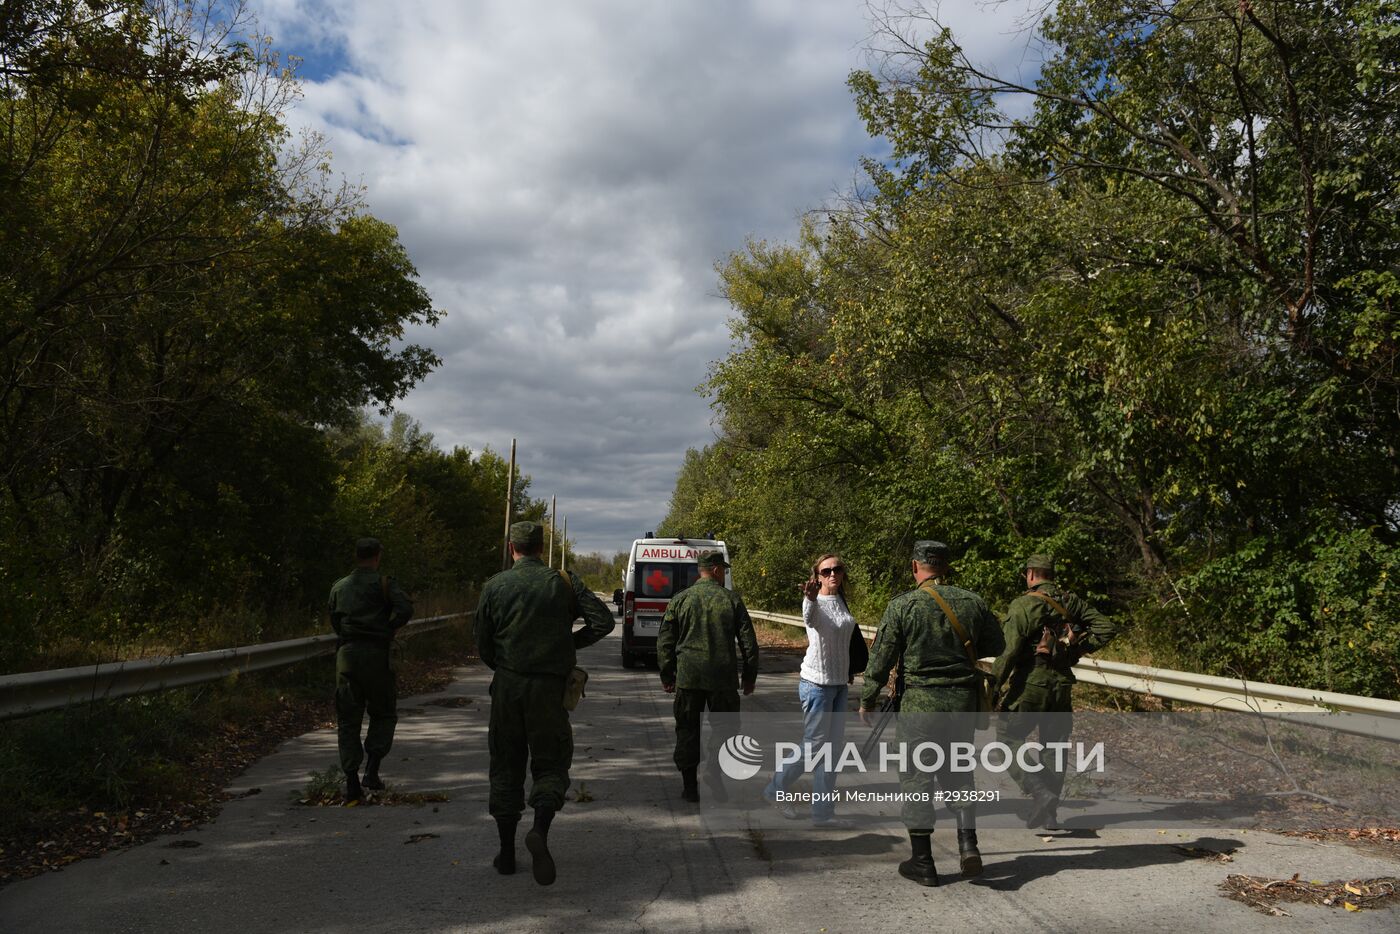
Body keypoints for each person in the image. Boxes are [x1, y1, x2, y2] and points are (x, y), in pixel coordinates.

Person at [474, 521, 616, 885]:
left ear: (512, 548)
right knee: (550, 763)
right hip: (549, 689)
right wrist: (565, 646)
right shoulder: (563, 582)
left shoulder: (495, 586)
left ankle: (507, 854)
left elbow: (483, 644)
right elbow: (602, 622)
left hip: (508, 687)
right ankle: (539, 829)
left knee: (505, 766)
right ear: (541, 547)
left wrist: (507, 665)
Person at [859, 541, 1004, 886]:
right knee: (959, 770)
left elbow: (881, 658)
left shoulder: (903, 605)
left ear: (915, 566)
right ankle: (968, 845)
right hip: (962, 704)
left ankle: (923, 862)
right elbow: (997, 645)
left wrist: (868, 698)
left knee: (917, 778)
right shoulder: (973, 602)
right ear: (946, 566)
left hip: (921, 706)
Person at [991, 553, 1117, 830]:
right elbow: (1107, 628)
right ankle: (1049, 814)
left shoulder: (1024, 604)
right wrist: (1076, 649)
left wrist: (994, 686)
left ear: (1030, 575)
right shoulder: (1071, 602)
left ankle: (1039, 792)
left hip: (1031, 684)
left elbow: (1009, 651)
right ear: (1052, 574)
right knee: (1054, 747)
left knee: (1007, 738)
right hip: (1061, 685)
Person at [657, 549, 760, 804]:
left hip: (688, 677)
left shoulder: (680, 600)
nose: (724, 574)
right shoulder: (731, 600)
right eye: (723, 570)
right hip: (722, 679)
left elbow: (665, 641)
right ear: (715, 570)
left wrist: (667, 674)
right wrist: (749, 676)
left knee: (687, 730)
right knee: (726, 728)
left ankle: (690, 787)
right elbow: (749, 642)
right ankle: (714, 771)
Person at [764, 553, 860, 825]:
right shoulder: (815, 603)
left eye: (837, 569)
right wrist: (809, 597)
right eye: (826, 571)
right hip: (816, 685)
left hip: (839, 685)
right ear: (817, 577)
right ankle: (775, 789)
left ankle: (823, 812)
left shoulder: (841, 600)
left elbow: (841, 641)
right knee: (815, 745)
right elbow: (809, 617)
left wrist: (847, 671)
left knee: (832, 750)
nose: (833, 574)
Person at [328, 537, 414, 803]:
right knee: (384, 712)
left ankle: (352, 781)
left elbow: (334, 619)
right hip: (377, 656)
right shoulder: (384, 584)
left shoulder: (340, 586)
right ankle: (372, 770)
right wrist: (388, 628)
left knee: (348, 718)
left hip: (347, 656)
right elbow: (405, 608)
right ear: (377, 556)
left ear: (357, 556)